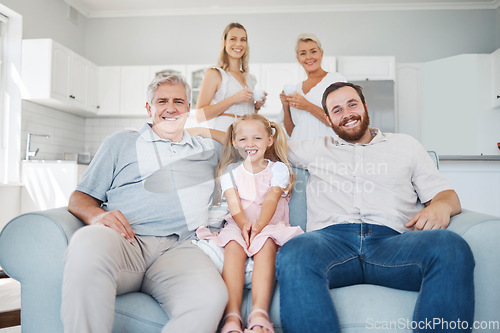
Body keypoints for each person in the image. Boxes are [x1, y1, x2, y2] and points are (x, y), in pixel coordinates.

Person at [276, 82, 475, 333]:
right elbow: (262, 142)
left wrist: (441, 206)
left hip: (392, 244)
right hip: (330, 243)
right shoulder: (315, 148)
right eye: (336, 110)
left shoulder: (406, 145)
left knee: (451, 247)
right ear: (327, 118)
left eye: (352, 104)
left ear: (365, 106)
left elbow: (447, 196)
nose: (346, 113)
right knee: (295, 251)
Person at [61, 73, 228, 333]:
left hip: (181, 248)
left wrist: (201, 129)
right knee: (86, 241)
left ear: (188, 108)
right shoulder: (120, 143)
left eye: (179, 102)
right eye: (162, 101)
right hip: (126, 241)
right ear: (149, 108)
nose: (170, 108)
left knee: (211, 297)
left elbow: (251, 141)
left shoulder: (207, 149)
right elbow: (79, 198)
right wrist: (95, 216)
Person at [196, 113, 303, 333]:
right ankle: (232, 316)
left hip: (269, 224)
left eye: (257, 138)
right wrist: (245, 225)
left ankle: (259, 314)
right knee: (233, 247)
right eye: (243, 139)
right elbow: (234, 203)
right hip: (238, 224)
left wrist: (259, 226)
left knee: (265, 245)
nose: (250, 145)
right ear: (234, 142)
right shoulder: (230, 172)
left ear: (269, 140)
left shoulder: (278, 169)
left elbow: (272, 198)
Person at [196, 22, 266, 132]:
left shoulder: (250, 78)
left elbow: (245, 113)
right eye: (233, 39)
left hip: (246, 135)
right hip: (224, 134)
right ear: (224, 42)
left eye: (243, 40)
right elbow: (200, 116)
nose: (238, 44)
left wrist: (256, 107)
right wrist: (234, 99)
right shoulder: (215, 73)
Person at [280, 33, 346, 141]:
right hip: (299, 153)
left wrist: (307, 106)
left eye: (313, 51)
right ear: (298, 58)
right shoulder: (295, 90)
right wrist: (285, 106)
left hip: (328, 152)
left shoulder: (335, 80)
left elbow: (340, 120)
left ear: (321, 53)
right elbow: (292, 132)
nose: (309, 57)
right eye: (303, 53)